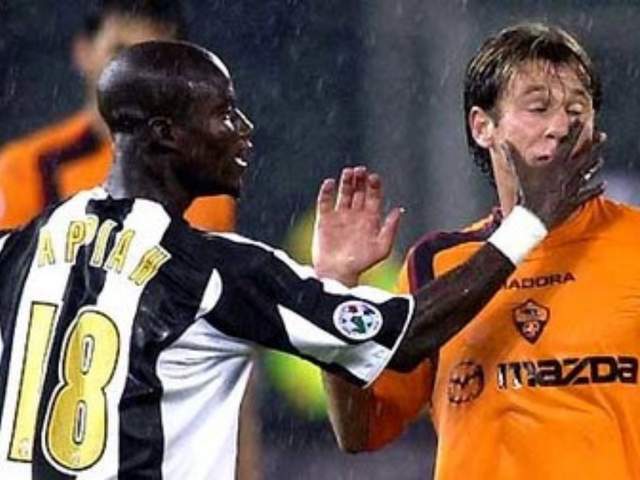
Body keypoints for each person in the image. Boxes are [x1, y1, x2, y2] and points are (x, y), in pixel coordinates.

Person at [0, 40, 598, 479]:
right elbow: (407, 333)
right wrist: (533, 219)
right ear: (165, 134)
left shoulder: (21, 247)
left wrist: (336, 280)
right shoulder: (213, 272)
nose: (244, 130)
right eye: (223, 113)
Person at [321, 21, 640, 480]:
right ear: (483, 126)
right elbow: (359, 430)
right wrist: (337, 288)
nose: (561, 127)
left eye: (577, 109)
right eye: (538, 107)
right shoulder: (437, 264)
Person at [0, 0, 235, 232]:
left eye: (154, 56)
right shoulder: (23, 169)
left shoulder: (204, 182)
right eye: (119, 50)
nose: (135, 70)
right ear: (84, 52)